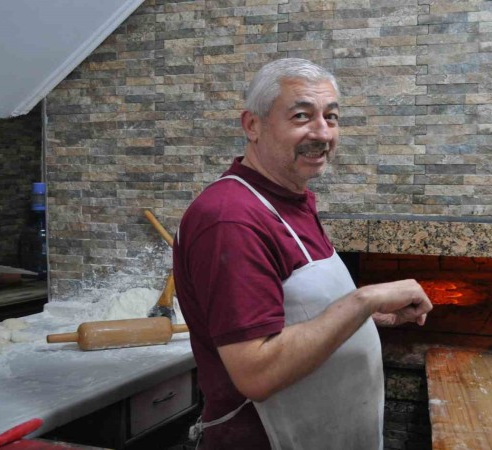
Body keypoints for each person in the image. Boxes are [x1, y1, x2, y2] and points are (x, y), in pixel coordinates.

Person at [173, 58, 433, 450]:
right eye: (301, 116)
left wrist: (365, 318)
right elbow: (256, 373)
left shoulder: (291, 200)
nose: (323, 132)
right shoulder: (231, 219)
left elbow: (291, 311)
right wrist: (364, 300)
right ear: (252, 125)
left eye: (332, 117)